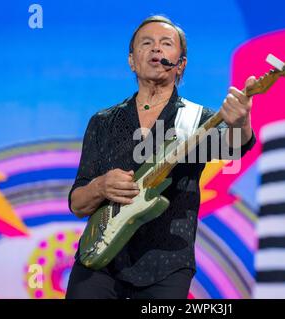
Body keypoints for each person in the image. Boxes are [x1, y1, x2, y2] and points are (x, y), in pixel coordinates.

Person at [65, 15, 256, 299]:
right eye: (147, 43)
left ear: (181, 64)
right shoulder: (102, 122)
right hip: (100, 260)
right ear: (132, 60)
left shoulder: (197, 120)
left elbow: (233, 146)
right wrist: (100, 186)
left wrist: (241, 121)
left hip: (166, 264)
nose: (156, 49)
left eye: (166, 43)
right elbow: (77, 203)